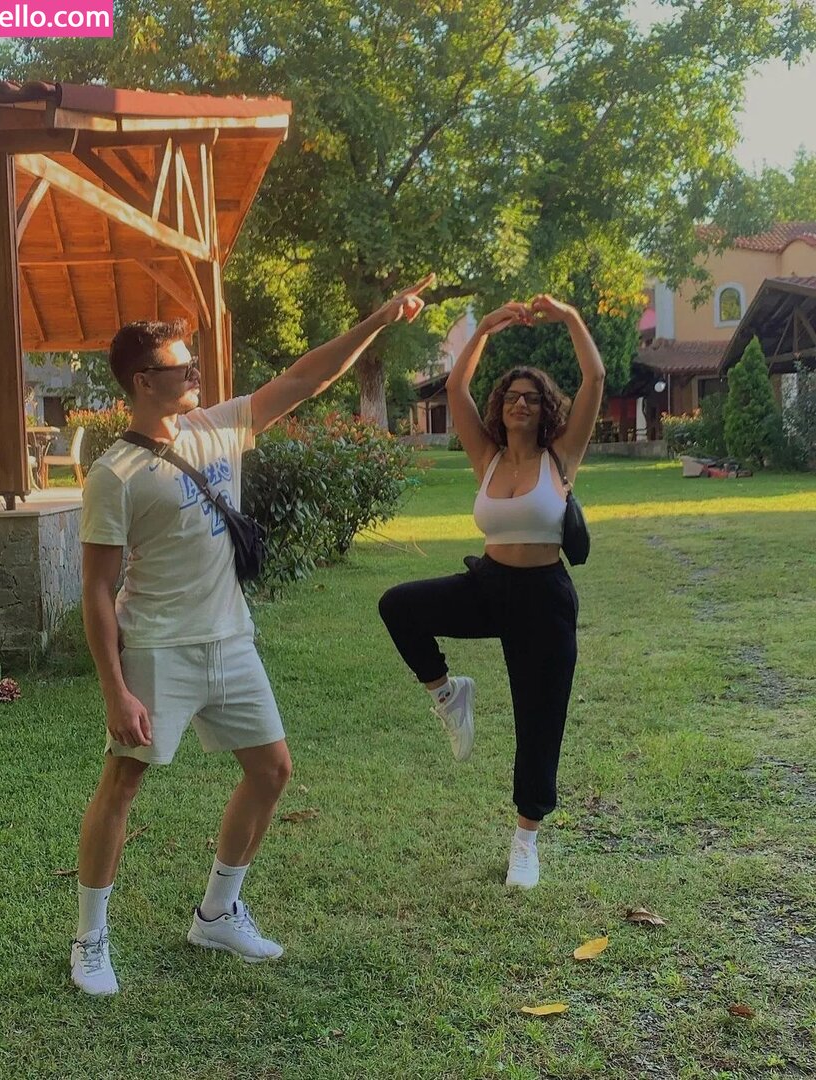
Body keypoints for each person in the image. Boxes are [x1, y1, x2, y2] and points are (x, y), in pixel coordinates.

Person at [72, 275, 433, 995]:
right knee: (123, 783)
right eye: (182, 367)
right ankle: (89, 939)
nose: (195, 376)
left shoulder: (218, 425)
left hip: (231, 640)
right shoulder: (115, 475)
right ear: (143, 381)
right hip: (159, 647)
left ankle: (216, 912)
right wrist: (116, 690)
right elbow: (97, 589)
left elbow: (305, 377)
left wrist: (378, 320)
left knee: (271, 771)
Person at [378, 294, 604, 889]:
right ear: (500, 408)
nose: (520, 403)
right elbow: (456, 387)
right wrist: (486, 330)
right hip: (489, 584)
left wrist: (569, 316)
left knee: (539, 720)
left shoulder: (562, 457)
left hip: (544, 599)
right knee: (399, 605)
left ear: (545, 409)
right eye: (511, 397)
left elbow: (595, 378)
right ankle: (448, 693)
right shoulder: (488, 457)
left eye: (532, 397)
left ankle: (525, 842)